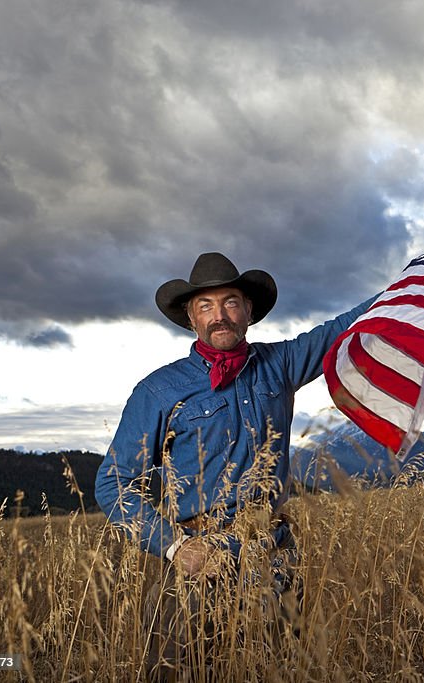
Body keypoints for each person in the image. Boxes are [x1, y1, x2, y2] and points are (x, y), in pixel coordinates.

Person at [94, 251, 375, 672]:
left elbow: (340, 329)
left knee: (279, 668)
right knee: (188, 672)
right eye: (205, 305)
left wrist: (411, 284)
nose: (219, 315)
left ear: (248, 311)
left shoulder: (278, 366)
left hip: (273, 555)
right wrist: (175, 546)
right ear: (191, 318)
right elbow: (112, 483)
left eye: (230, 302)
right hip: (201, 561)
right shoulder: (158, 390)